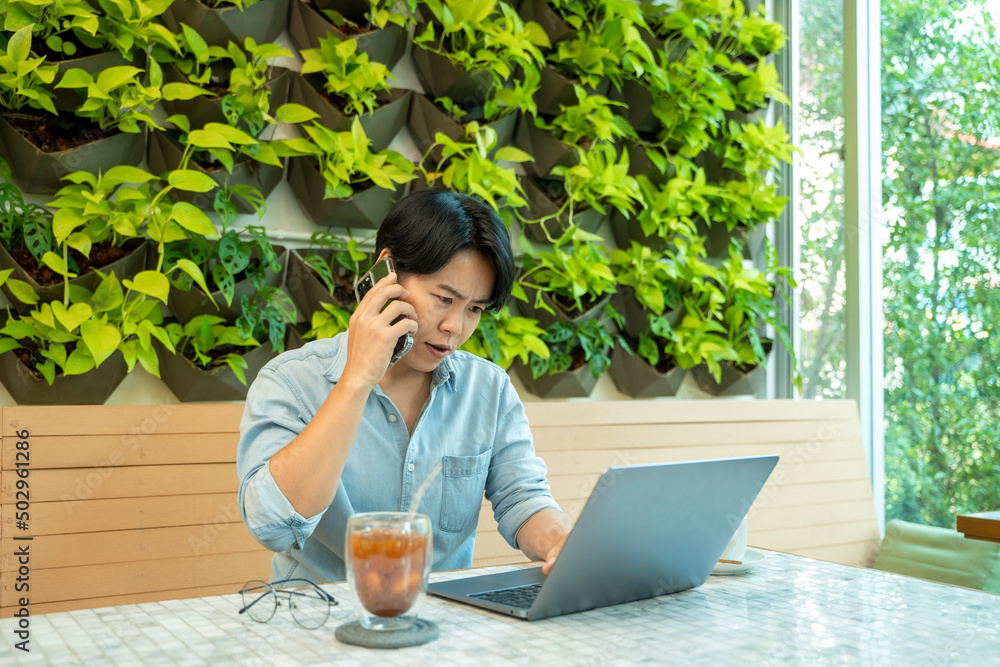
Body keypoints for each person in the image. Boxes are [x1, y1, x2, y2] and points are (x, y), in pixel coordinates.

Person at [237, 188, 571, 584]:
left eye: (475, 310)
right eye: (444, 298)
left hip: (437, 627)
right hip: (316, 624)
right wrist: (358, 379)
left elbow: (523, 498)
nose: (455, 328)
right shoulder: (292, 381)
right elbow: (272, 526)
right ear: (387, 271)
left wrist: (560, 543)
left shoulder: (489, 389)